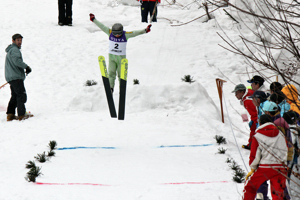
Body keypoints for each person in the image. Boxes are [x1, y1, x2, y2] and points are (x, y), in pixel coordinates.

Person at [89, 13, 152, 92]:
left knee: (121, 75)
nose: (118, 35)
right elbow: (102, 26)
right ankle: (111, 88)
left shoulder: (125, 35)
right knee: (111, 73)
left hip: (121, 59)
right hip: (112, 57)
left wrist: (145, 30)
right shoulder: (110, 32)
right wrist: (94, 19)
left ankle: (121, 89)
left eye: (119, 33)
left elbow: (135, 33)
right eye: (115, 34)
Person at [243, 114, 288, 200]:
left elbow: (254, 154)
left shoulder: (258, 136)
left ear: (260, 123)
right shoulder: (281, 134)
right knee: (278, 193)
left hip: (265, 167)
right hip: (280, 167)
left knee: (250, 187)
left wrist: (253, 167)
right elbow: (285, 149)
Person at [5, 34, 33, 121]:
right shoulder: (15, 50)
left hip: (11, 77)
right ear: (13, 41)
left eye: (20, 40)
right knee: (21, 95)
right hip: (16, 77)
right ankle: (21, 114)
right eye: (18, 40)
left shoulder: (10, 50)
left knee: (14, 96)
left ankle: (10, 114)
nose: (20, 42)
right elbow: (17, 61)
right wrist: (26, 67)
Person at [232, 84, 258, 150]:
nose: (235, 95)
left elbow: (255, 113)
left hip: (258, 118)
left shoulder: (247, 101)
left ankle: (251, 145)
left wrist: (254, 121)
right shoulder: (248, 94)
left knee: (253, 129)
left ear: (242, 92)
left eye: (236, 93)